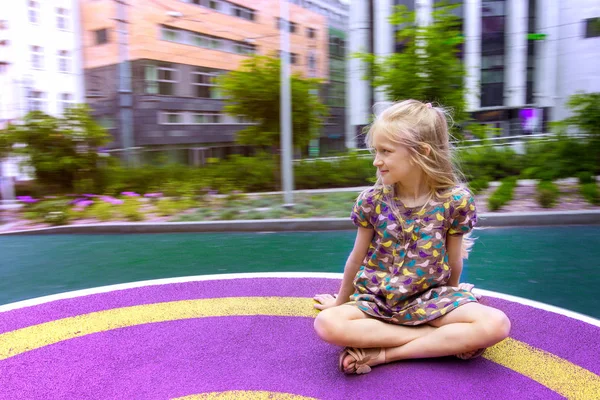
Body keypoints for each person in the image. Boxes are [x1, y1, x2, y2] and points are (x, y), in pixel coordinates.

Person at [313, 99, 511, 375]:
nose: (376, 160)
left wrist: (454, 297)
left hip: (429, 298)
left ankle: (386, 354)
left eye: (385, 151)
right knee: (327, 323)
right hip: (377, 299)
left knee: (497, 324)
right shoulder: (372, 200)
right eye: (375, 151)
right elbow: (356, 258)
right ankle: (440, 341)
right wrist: (340, 301)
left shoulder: (455, 201)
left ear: (421, 153)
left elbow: (454, 261)